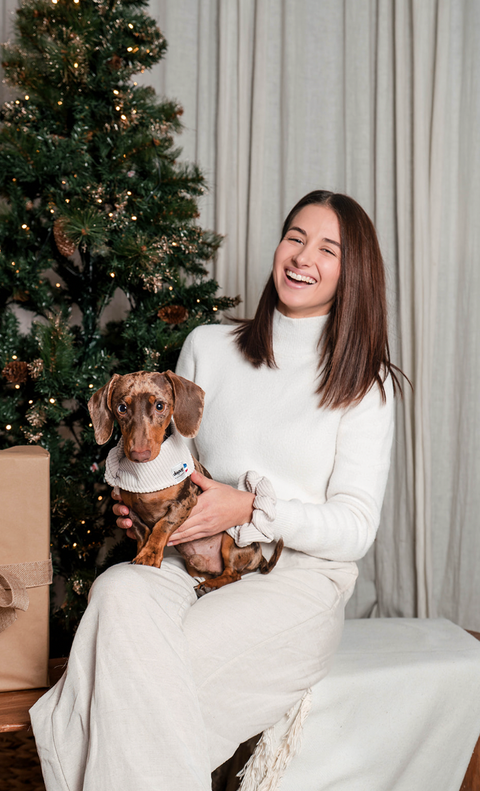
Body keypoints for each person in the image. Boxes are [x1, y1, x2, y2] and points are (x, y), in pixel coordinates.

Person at [30, 190, 400, 791]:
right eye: (295, 237)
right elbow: (173, 465)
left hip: (296, 579)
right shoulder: (209, 345)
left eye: (328, 249)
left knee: (145, 676)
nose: (303, 256)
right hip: (191, 559)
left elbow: (355, 528)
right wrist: (147, 509)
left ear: (351, 272)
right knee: (117, 590)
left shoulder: (365, 383)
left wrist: (254, 508)